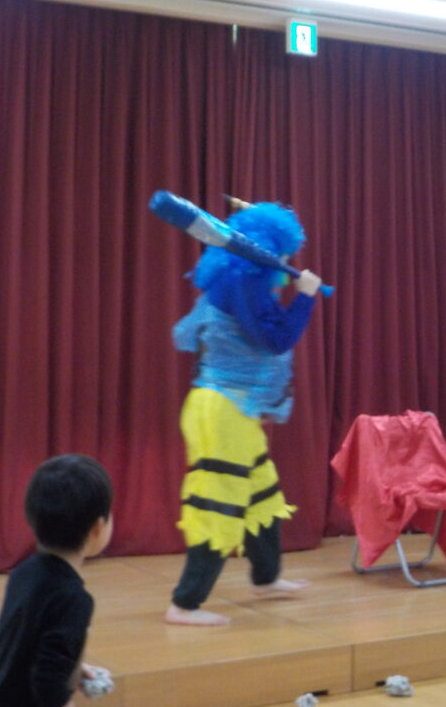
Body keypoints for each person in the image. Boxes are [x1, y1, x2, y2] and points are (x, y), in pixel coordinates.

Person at [166, 200, 322, 627]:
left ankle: (266, 579)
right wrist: (305, 297)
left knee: (262, 494)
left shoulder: (240, 277)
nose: (286, 262)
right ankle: (185, 603)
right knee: (219, 502)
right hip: (223, 410)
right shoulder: (245, 282)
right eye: (284, 253)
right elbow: (276, 339)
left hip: (233, 406)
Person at [0, 454, 114, 707]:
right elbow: (48, 683)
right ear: (97, 528)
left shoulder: (23, 572)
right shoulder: (74, 599)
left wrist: (72, 667)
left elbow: (19, 647)